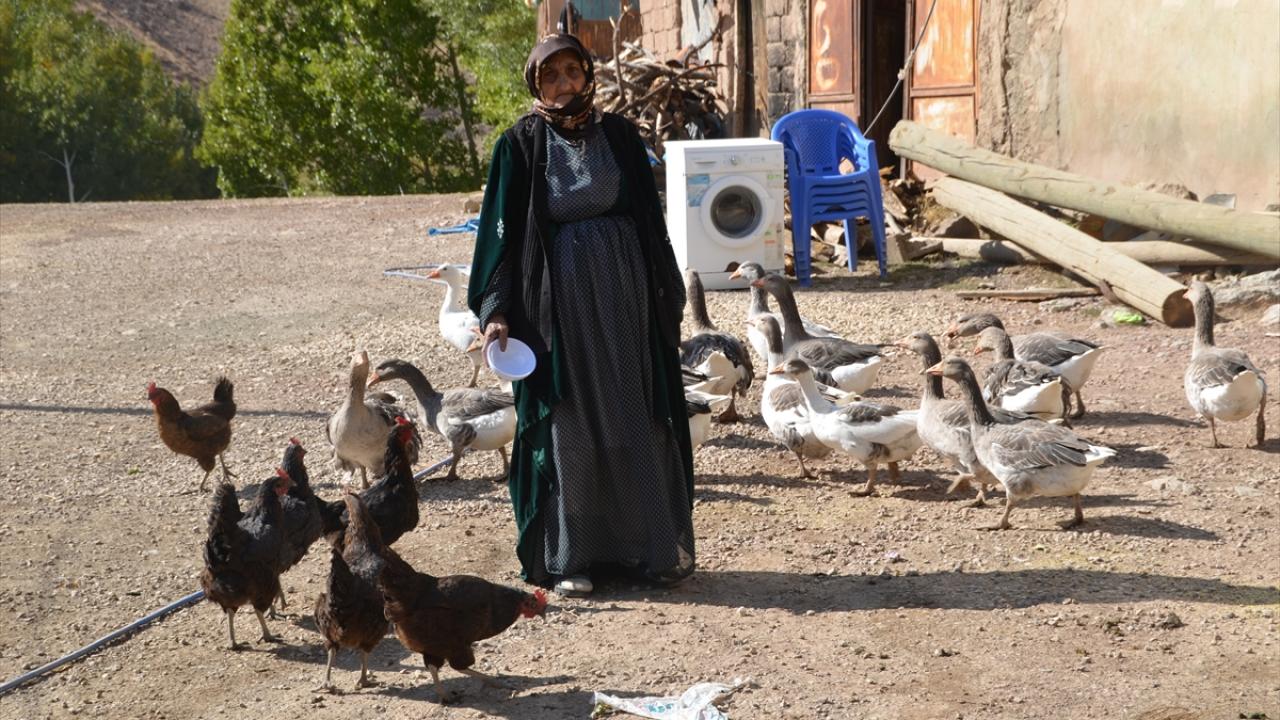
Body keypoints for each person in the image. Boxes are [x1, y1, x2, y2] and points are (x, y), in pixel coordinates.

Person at [467, 34, 695, 597]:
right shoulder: (519, 146)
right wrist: (496, 311)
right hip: (556, 312)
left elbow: (651, 221)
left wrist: (664, 294)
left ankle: (649, 550)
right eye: (551, 75)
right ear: (536, 84)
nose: (564, 84)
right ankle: (573, 557)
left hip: (626, 302)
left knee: (635, 415)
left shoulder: (619, 135)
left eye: (572, 71)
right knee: (570, 423)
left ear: (588, 76)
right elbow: (499, 238)